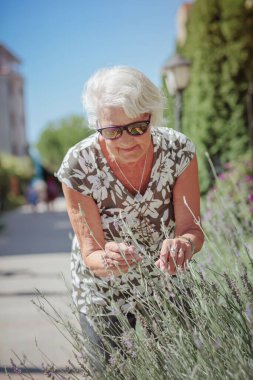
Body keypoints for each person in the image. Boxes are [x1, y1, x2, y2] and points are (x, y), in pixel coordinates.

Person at [56, 66, 204, 373]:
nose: (126, 140)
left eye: (137, 128)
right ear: (98, 126)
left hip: (166, 282)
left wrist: (184, 244)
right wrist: (106, 258)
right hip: (102, 292)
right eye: (112, 131)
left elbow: (192, 229)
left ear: (152, 117)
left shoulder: (177, 150)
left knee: (183, 369)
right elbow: (91, 252)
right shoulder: (77, 165)